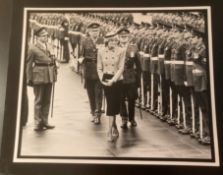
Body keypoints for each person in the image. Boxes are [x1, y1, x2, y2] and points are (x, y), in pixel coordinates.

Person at [26, 27, 57, 131]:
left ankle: (45, 121)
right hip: (38, 75)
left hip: (49, 75)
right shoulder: (32, 48)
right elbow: (29, 64)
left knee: (47, 100)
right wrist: (29, 79)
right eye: (43, 36)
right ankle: (38, 122)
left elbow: (52, 59)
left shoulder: (49, 46)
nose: (45, 37)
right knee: (39, 100)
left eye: (46, 35)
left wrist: (55, 70)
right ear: (37, 37)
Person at [97, 31, 125, 141]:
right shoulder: (101, 51)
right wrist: (102, 80)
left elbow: (121, 68)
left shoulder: (121, 51)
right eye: (111, 40)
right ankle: (113, 128)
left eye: (115, 40)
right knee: (110, 105)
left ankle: (110, 130)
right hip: (105, 79)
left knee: (112, 106)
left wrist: (113, 80)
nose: (113, 42)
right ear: (106, 41)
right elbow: (99, 68)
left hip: (117, 80)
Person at [79, 23, 104, 124]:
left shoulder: (103, 40)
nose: (95, 33)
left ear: (99, 31)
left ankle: (98, 114)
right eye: (93, 31)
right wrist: (81, 66)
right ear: (89, 31)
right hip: (88, 70)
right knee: (90, 93)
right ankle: (93, 112)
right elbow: (81, 56)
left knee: (99, 92)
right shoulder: (84, 41)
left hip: (99, 70)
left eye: (97, 31)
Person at [118, 27, 141, 129]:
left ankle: (132, 118)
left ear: (128, 37)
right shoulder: (114, 47)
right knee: (121, 98)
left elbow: (139, 65)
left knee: (132, 99)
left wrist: (138, 79)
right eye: (122, 36)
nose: (124, 38)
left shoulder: (133, 48)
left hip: (131, 77)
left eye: (125, 36)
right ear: (118, 37)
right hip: (119, 77)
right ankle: (124, 118)